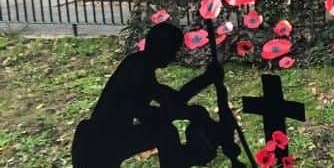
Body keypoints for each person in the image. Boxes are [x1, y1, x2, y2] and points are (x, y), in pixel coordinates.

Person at [71, 23, 234, 168]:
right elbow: (171, 101)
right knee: (166, 133)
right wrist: (206, 79)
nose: (174, 56)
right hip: (102, 143)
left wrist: (194, 110)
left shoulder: (139, 64)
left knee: (167, 130)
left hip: (106, 138)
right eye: (173, 51)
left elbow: (160, 103)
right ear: (163, 49)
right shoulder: (139, 68)